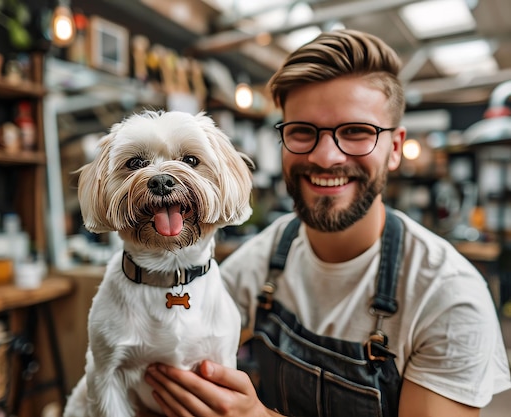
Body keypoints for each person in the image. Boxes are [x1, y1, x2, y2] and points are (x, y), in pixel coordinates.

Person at [143, 29, 511, 416]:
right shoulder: (267, 256)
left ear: (396, 148)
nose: (325, 156)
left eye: (356, 132)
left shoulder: (447, 297)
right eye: (302, 132)